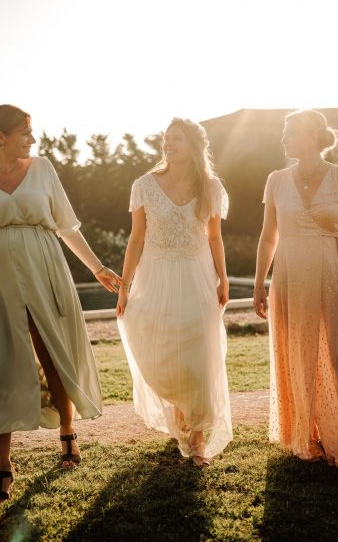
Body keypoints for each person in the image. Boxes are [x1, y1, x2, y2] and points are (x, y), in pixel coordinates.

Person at [0, 104, 121, 505]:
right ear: (0, 137)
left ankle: (67, 434)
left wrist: (96, 266)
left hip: (44, 268)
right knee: (0, 363)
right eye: (25, 131)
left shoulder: (42, 170)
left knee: (53, 351)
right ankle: (3, 466)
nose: (33, 139)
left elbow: (66, 226)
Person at [254, 109, 338, 475]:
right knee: (300, 352)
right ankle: (308, 435)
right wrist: (261, 280)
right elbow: (268, 236)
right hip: (291, 276)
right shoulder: (276, 180)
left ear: (311, 135)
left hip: (336, 270)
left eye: (289, 132)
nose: (283, 139)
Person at [116, 117, 232, 466]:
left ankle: (197, 437)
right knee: (156, 345)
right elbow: (136, 239)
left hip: (196, 275)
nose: (169, 143)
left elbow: (214, 237)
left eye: (177, 138)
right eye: (166, 138)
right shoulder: (144, 185)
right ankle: (181, 404)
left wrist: (223, 278)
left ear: (194, 145)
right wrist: (124, 287)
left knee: (199, 355)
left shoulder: (210, 187)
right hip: (155, 275)